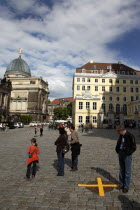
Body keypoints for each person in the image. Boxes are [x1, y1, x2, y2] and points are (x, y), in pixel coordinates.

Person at [115, 125, 136, 193]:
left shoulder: (130, 135)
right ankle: (121, 184)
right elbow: (119, 143)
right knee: (121, 169)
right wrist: (117, 150)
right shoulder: (121, 135)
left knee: (127, 171)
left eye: (118, 132)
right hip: (121, 153)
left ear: (121, 130)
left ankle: (126, 186)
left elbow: (134, 147)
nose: (118, 133)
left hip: (127, 155)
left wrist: (128, 152)